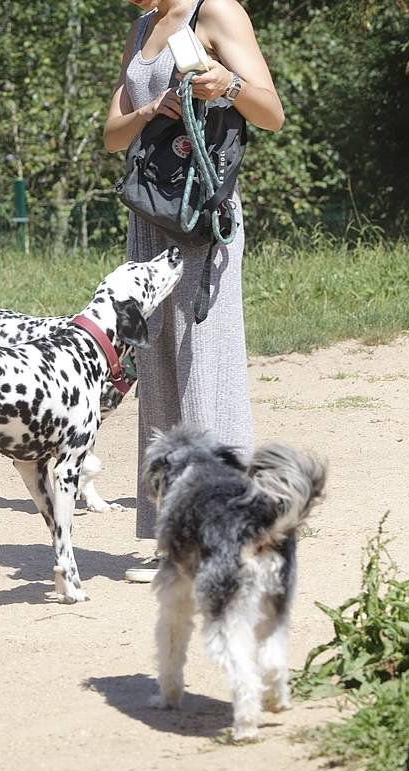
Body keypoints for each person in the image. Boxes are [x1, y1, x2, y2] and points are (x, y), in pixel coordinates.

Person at [103, 0, 285, 582]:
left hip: (201, 209)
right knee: (156, 367)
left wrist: (225, 86)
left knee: (204, 364)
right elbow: (111, 136)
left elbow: (272, 112)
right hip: (149, 208)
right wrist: (153, 108)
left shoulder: (217, 10)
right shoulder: (140, 26)